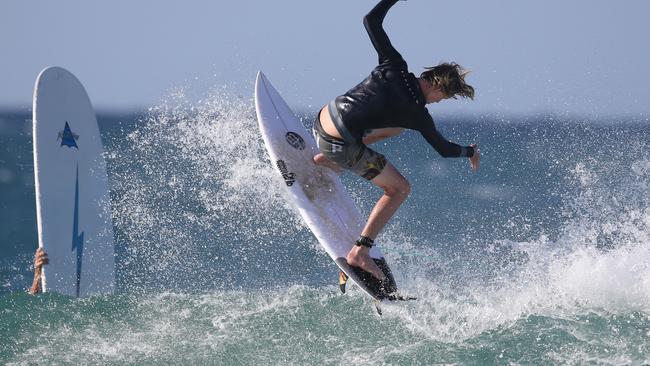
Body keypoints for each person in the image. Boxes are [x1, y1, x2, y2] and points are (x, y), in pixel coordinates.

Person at [313, 0, 480, 280]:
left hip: (321, 121)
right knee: (400, 189)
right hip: (339, 144)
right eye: (445, 97)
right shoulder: (418, 113)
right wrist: (470, 151)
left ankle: (324, 159)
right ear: (438, 86)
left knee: (395, 128)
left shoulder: (395, 65)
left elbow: (370, 20)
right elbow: (444, 149)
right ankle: (360, 252)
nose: (440, 102)